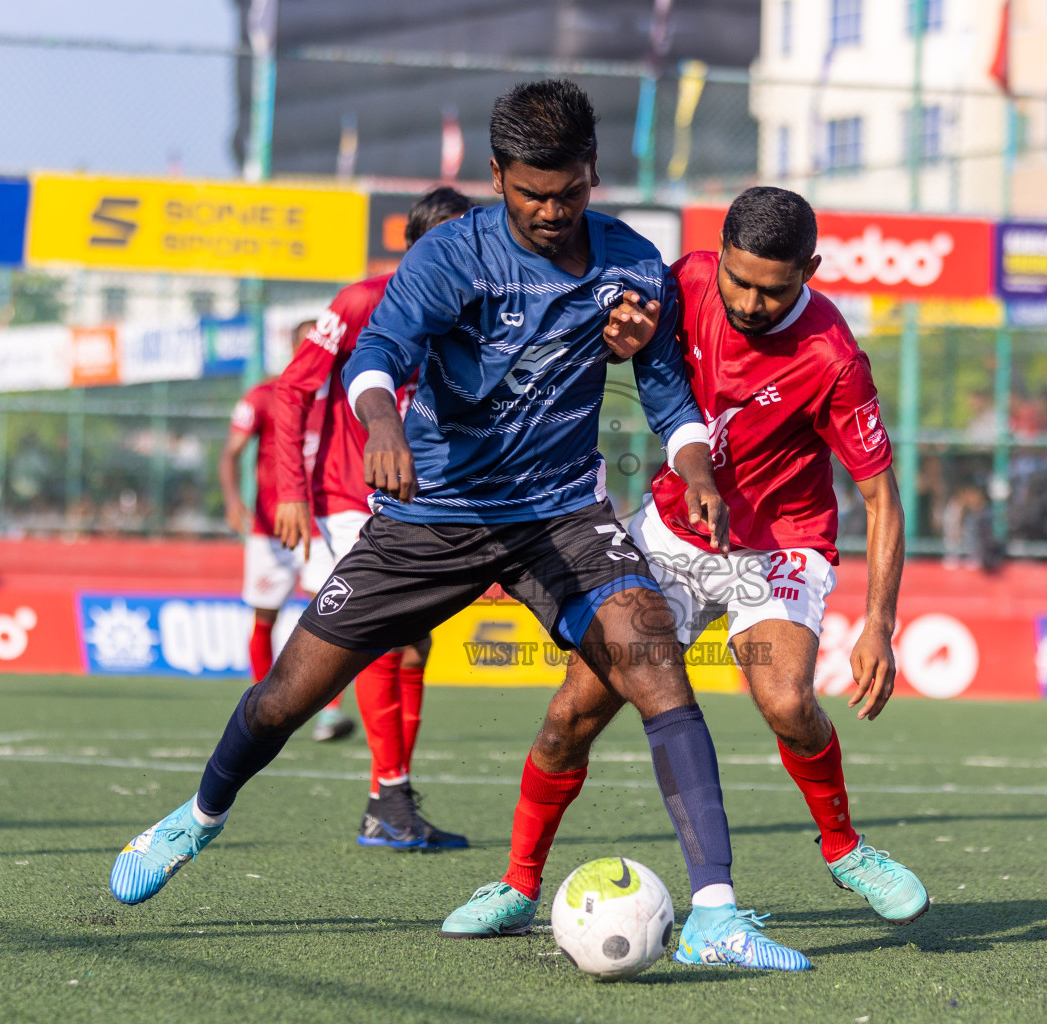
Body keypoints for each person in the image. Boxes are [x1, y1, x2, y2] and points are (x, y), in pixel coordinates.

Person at [108, 78, 811, 972]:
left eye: (569, 191)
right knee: (288, 696)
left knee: (655, 659)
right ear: (496, 176)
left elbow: (672, 397)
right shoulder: (449, 257)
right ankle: (194, 819)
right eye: (530, 194)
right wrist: (386, 425)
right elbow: (376, 357)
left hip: (560, 512)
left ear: (593, 172)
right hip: (434, 515)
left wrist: (697, 469)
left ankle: (715, 914)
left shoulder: (633, 266)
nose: (552, 211)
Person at [441, 187, 928, 952]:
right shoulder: (686, 278)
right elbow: (610, 344)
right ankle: (518, 883)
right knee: (572, 714)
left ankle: (844, 850)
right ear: (721, 257)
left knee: (787, 701)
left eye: (775, 288)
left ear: (812, 269)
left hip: (780, 549)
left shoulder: (832, 357)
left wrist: (879, 625)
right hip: (670, 534)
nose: (751, 302)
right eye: (739, 279)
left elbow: (881, 494)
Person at [272, 187, 473, 846]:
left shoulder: (471, 316)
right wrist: (290, 490)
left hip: (421, 502)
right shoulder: (361, 301)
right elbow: (292, 391)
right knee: (389, 637)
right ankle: (389, 799)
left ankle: (388, 802)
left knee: (416, 643)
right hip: (349, 498)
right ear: (414, 247)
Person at [219, 325, 354, 739]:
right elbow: (231, 453)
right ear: (296, 348)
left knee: (330, 614)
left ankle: (329, 713)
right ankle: (259, 710)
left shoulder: (342, 398)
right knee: (265, 616)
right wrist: (231, 499)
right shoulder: (263, 395)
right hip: (271, 527)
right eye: (312, 344)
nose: (321, 352)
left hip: (321, 524)